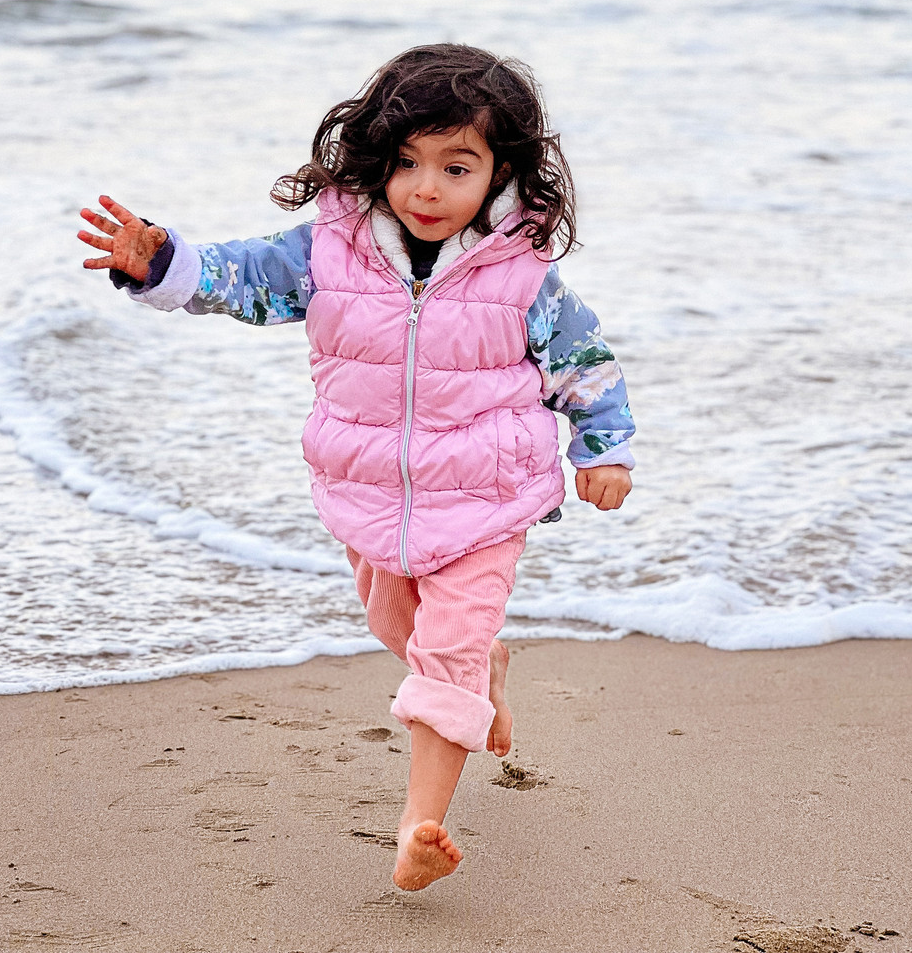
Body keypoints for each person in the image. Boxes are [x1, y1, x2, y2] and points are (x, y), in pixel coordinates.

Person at [78, 43, 635, 891]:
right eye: (407, 163)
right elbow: (242, 278)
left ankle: (419, 827)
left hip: (486, 498)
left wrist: (603, 449)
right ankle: (485, 669)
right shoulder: (330, 251)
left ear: (503, 172)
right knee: (397, 626)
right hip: (368, 491)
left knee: (442, 653)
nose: (426, 188)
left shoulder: (520, 274)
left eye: (456, 167)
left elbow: (584, 361)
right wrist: (161, 263)